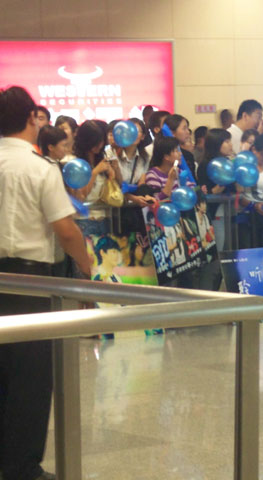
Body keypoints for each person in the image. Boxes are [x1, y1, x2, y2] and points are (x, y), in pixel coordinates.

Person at [0, 85, 92, 480]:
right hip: (29, 282)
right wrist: (87, 269)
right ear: (30, 119)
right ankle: (21, 467)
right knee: (30, 376)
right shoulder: (40, 168)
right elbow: (66, 231)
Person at [197, 128, 234, 253]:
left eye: (230, 141)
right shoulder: (205, 165)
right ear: (216, 144)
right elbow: (205, 193)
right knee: (219, 247)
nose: (231, 145)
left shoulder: (229, 163)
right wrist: (218, 187)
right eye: (227, 141)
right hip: (214, 214)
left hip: (231, 211)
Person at [145, 136, 195, 200]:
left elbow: (190, 191)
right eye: (176, 151)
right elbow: (156, 201)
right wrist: (171, 180)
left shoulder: (179, 172)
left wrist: (198, 191)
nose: (180, 154)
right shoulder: (153, 175)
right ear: (166, 157)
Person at [162, 114, 197, 178]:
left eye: (187, 128)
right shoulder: (162, 153)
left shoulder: (188, 155)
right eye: (184, 128)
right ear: (172, 132)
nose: (188, 132)